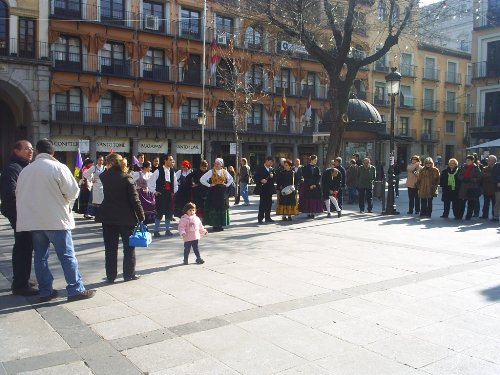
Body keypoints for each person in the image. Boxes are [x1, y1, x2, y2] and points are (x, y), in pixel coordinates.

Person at [16, 139, 96, 302]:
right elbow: (73, 192)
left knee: (40, 256)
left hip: (35, 221)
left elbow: (19, 194)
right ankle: (75, 289)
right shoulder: (58, 167)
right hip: (56, 219)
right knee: (67, 256)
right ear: (53, 153)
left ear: (38, 152)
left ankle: (45, 291)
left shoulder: (26, 170)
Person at [96, 153, 145, 283]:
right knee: (129, 248)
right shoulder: (126, 178)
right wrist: (141, 216)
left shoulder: (104, 176)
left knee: (110, 249)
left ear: (110, 164)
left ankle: (111, 276)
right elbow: (135, 200)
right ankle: (129, 274)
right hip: (126, 217)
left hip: (108, 217)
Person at [0, 140, 38, 296]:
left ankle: (22, 279)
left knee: (25, 246)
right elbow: (10, 195)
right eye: (26, 149)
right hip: (19, 213)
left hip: (23, 213)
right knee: (23, 247)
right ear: (16, 151)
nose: (30, 151)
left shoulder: (23, 166)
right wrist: (21, 213)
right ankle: (20, 285)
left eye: (31, 149)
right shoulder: (13, 168)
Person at [200, 158, 234, 231]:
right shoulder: (211, 171)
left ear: (221, 165)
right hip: (214, 191)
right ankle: (215, 225)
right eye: (215, 163)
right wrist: (209, 185)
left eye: (218, 164)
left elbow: (231, 179)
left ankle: (220, 224)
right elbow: (202, 179)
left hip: (222, 191)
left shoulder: (224, 171)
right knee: (214, 207)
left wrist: (227, 184)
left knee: (221, 207)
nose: (216, 165)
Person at [151, 154, 178, 237]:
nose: (172, 161)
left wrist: (173, 191)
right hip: (161, 194)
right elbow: (150, 181)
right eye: (170, 159)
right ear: (165, 161)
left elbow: (175, 183)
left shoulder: (172, 171)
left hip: (169, 194)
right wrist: (154, 191)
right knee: (159, 212)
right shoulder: (158, 171)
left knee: (169, 212)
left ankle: (167, 229)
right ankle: (156, 231)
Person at [456, 155, 482, 221]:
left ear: (472, 161)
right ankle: (459, 215)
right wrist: (464, 178)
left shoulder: (476, 168)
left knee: (471, 203)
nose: (467, 162)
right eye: (466, 160)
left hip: (472, 187)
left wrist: (471, 179)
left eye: (469, 160)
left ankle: (468, 216)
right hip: (463, 187)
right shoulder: (463, 167)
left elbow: (479, 178)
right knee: (461, 202)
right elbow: (459, 176)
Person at [254, 156, 276, 223]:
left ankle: (268, 217)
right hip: (263, 189)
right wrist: (261, 180)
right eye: (270, 162)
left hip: (269, 189)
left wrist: (273, 176)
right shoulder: (260, 168)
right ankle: (260, 218)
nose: (270, 164)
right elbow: (255, 177)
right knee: (262, 204)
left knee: (269, 204)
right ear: (266, 161)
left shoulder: (271, 169)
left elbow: (275, 179)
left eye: (272, 163)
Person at [492, 158, 500, 222]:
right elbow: (494, 176)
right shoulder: (496, 165)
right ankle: (496, 216)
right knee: (498, 202)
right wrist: (497, 182)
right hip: (498, 187)